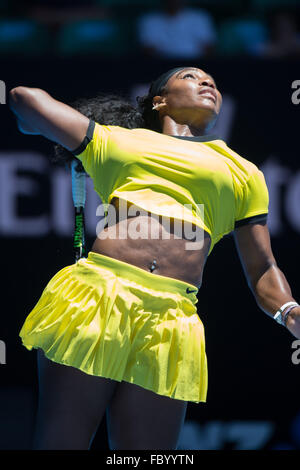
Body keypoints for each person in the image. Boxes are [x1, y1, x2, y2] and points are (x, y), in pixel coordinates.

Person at [9, 67, 300, 450]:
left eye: (211, 80)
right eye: (190, 76)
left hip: (172, 319)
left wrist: (291, 313)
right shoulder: (116, 142)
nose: (207, 82)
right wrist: (45, 125)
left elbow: (263, 268)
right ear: (159, 100)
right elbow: (24, 98)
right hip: (97, 297)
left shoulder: (245, 173)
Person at [136, 0, 217, 59]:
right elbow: (148, 50)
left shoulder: (200, 17)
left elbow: (208, 47)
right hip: (161, 67)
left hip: (195, 66)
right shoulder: (149, 20)